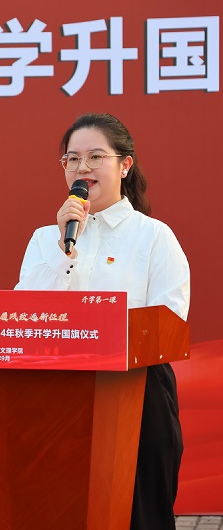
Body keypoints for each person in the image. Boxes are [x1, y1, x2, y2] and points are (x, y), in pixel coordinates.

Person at [15, 112, 190, 530]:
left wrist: (106, 332)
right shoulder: (45, 239)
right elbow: (25, 316)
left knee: (139, 513)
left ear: (124, 165)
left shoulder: (153, 236)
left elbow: (170, 318)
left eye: (96, 156)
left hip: (136, 392)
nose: (83, 168)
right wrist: (63, 250)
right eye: (72, 159)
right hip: (58, 394)